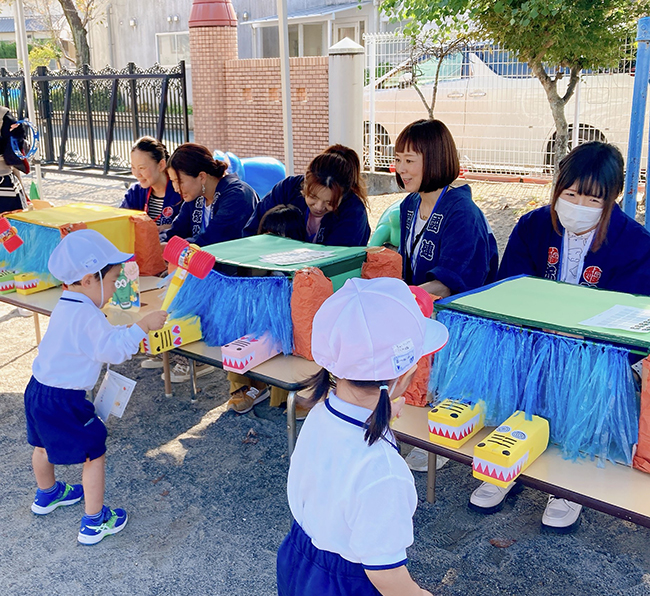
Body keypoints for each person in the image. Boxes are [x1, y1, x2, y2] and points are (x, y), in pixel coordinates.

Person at [471, 141, 650, 531]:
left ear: (613, 197)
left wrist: (585, 343)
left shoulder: (635, 242)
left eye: (591, 198)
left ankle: (569, 482)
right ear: (557, 189)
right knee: (515, 384)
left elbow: (636, 311)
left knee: (583, 400)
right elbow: (511, 285)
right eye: (570, 194)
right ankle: (507, 460)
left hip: (593, 352)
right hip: (532, 339)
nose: (578, 205)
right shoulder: (533, 225)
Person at [277, 277, 448, 596]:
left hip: (300, 558)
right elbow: (386, 575)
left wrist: (386, 413)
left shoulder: (321, 413)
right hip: (348, 583)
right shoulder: (384, 472)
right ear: (403, 377)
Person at [25, 229, 167, 544]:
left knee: (42, 445)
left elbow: (96, 340)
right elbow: (112, 351)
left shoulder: (67, 304)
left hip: (38, 390)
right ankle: (94, 521)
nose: (116, 287)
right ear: (89, 279)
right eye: (114, 280)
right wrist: (141, 327)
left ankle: (47, 494)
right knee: (94, 452)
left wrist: (123, 330)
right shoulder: (88, 316)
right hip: (66, 399)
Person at [395, 119, 498, 298]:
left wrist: (399, 296)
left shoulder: (463, 214)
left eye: (409, 160)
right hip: (420, 308)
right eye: (397, 159)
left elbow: (448, 285)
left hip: (458, 316)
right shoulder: (409, 204)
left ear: (434, 161)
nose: (400, 169)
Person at [226, 204, 307, 415]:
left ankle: (289, 395)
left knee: (290, 336)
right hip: (256, 325)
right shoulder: (252, 264)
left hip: (287, 327)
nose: (272, 243)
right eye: (267, 236)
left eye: (280, 237)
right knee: (236, 326)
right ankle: (248, 386)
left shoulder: (304, 269)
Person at [243, 144, 371, 247]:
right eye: (313, 197)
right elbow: (252, 232)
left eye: (330, 202)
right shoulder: (287, 189)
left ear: (344, 195)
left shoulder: (353, 212)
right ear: (305, 184)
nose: (319, 207)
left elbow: (336, 261)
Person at [161, 143, 259, 248]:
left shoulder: (237, 195)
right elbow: (175, 231)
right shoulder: (195, 197)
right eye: (173, 181)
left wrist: (172, 247)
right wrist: (156, 243)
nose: (176, 188)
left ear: (202, 177)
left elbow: (215, 238)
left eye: (179, 181)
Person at [120, 136, 182, 228]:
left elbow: (189, 228)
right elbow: (121, 221)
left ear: (161, 165)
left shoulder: (180, 192)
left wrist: (170, 228)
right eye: (133, 167)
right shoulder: (135, 192)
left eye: (142, 168)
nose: (137, 174)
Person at [0, 107, 28, 214]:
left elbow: (15, 142)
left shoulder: (3, 115)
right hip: (3, 178)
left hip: (3, 178)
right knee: (10, 225)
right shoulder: (3, 114)